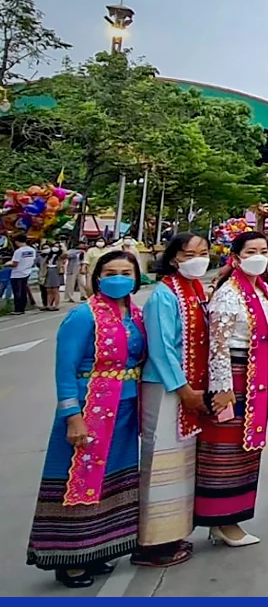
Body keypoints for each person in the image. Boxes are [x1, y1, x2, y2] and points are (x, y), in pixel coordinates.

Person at [26, 251, 145, 588]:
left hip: (125, 409)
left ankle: (98, 548)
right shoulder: (82, 316)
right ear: (97, 276)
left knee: (113, 481)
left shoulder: (135, 314)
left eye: (126, 271)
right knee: (78, 480)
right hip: (89, 406)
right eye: (110, 271)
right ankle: (70, 558)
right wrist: (72, 416)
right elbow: (64, 369)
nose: (119, 277)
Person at [133, 233, 210, 567]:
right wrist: (183, 389)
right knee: (159, 462)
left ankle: (173, 533)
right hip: (165, 388)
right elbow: (161, 347)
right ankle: (151, 543)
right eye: (190, 253)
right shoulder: (164, 294)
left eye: (204, 252)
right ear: (175, 257)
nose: (198, 258)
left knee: (180, 464)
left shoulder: (196, 290)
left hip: (187, 387)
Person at [200, 232, 268, 546]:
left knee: (247, 447)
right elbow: (217, 344)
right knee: (226, 448)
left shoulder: (262, 290)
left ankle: (231, 517)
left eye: (263, 250)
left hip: (256, 374)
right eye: (251, 251)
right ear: (235, 257)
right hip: (233, 376)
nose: (258, 256)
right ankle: (222, 518)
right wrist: (221, 388)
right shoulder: (229, 293)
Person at [6, 233, 36, 315]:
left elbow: (15, 264)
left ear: (16, 241)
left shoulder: (18, 251)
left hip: (17, 273)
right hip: (27, 272)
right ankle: (23, 307)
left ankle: (18, 309)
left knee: (17, 292)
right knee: (23, 291)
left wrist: (7, 263)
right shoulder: (32, 250)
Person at [40, 243, 64, 311]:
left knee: (55, 290)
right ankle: (48, 305)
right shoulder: (47, 256)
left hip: (55, 272)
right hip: (47, 272)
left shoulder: (59, 256)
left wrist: (62, 247)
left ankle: (56, 305)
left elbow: (65, 254)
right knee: (49, 290)